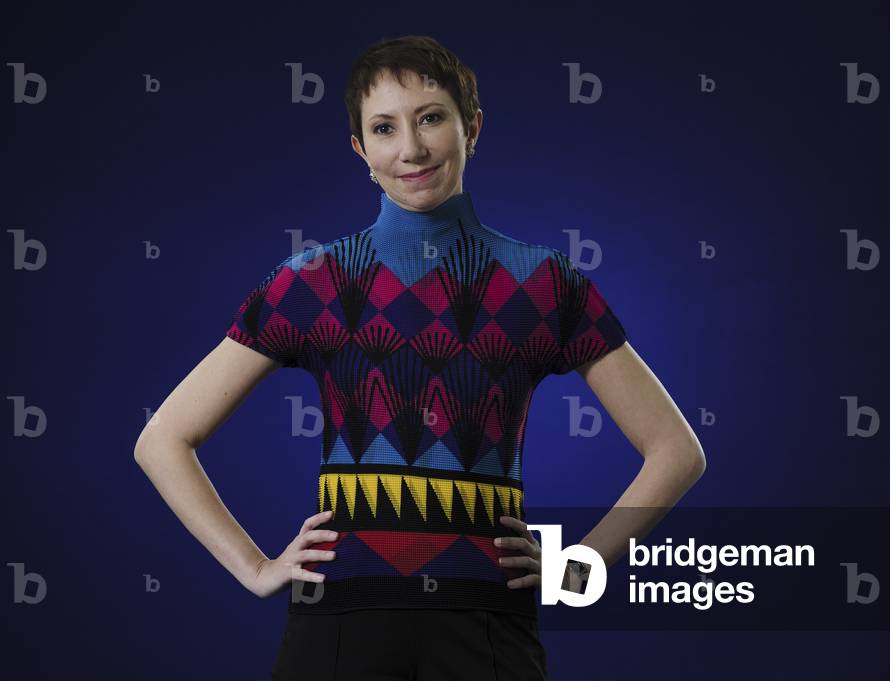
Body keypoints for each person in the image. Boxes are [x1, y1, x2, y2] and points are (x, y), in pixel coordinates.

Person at [133, 35, 706, 681]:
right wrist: (255, 567)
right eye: (384, 128)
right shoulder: (309, 281)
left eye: (431, 117)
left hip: (487, 621)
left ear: (472, 126)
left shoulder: (544, 283)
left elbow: (675, 450)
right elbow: (164, 438)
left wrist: (577, 568)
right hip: (336, 621)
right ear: (360, 149)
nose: (410, 148)